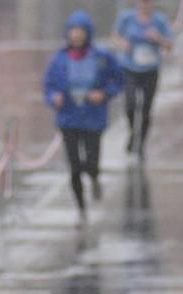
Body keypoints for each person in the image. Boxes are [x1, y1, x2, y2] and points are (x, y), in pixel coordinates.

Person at [43, 10, 124, 228]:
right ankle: (81, 209)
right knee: (74, 167)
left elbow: (118, 79)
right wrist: (54, 98)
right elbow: (48, 85)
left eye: (80, 31)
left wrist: (104, 94)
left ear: (87, 33)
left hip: (93, 119)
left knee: (91, 162)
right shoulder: (59, 60)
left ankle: (95, 178)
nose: (76, 35)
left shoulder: (102, 57)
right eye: (73, 31)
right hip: (68, 119)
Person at [112, 0, 173, 159]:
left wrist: (158, 38)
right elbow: (115, 37)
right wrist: (123, 44)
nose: (145, 5)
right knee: (131, 105)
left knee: (146, 107)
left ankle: (141, 144)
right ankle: (133, 134)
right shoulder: (126, 18)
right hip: (130, 68)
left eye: (148, 2)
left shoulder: (159, 20)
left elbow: (170, 44)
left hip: (150, 70)